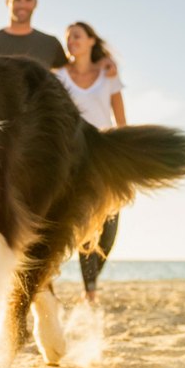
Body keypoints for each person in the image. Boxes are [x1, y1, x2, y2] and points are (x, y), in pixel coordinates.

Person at [55, 21, 127, 304]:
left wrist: (126, 155)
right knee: (86, 220)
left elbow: (121, 121)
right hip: (74, 155)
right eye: (68, 37)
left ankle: (91, 282)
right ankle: (90, 291)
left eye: (77, 36)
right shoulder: (59, 75)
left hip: (106, 156)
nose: (72, 41)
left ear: (90, 42)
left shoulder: (108, 75)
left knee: (109, 227)